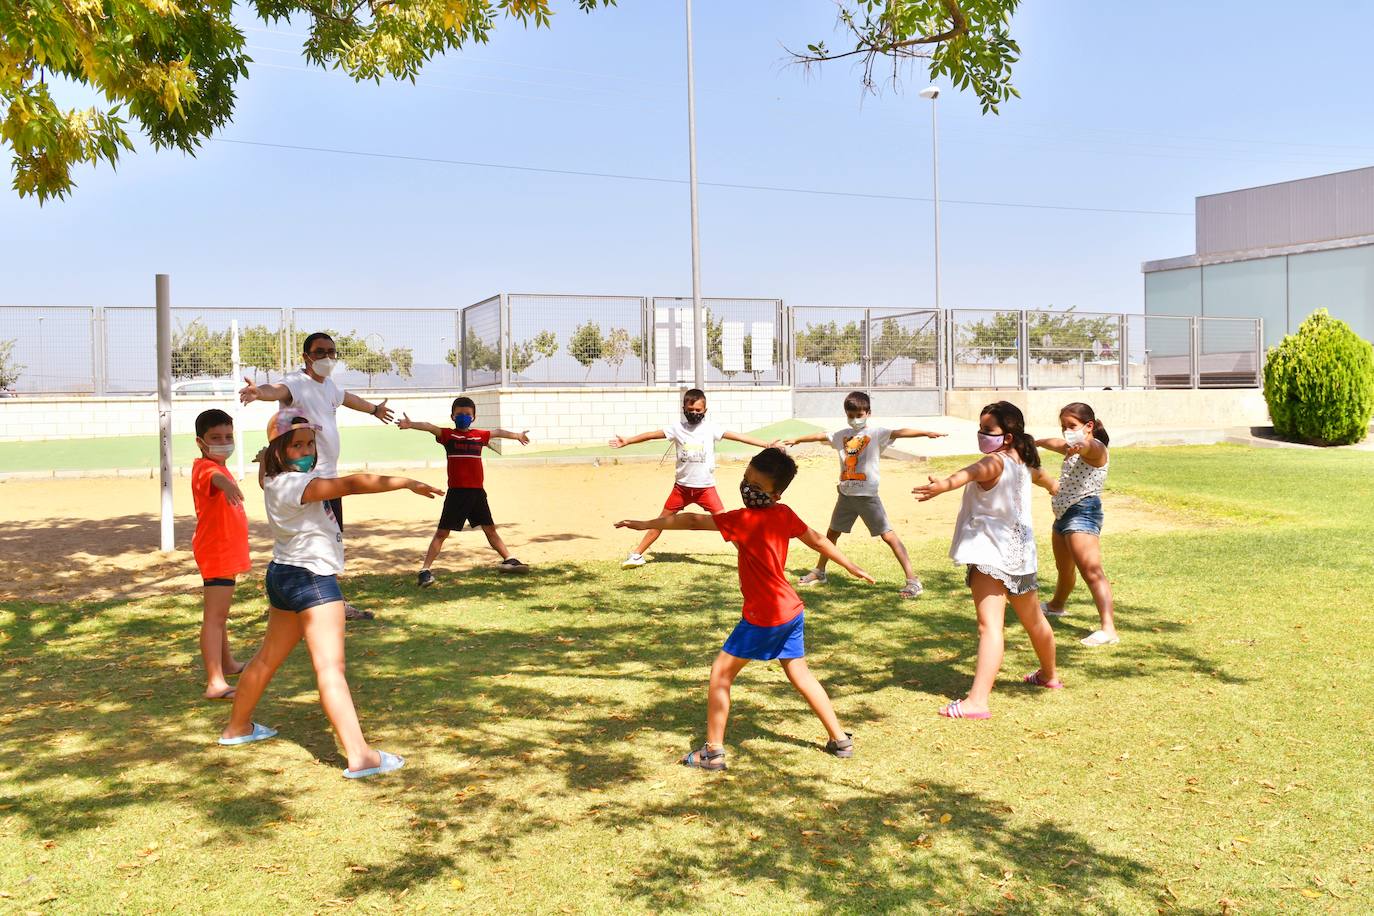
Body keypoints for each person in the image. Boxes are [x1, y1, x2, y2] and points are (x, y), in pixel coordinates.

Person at [616, 447, 874, 771]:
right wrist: (852, 567)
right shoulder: (784, 515)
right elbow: (819, 540)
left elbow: (694, 520)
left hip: (766, 616)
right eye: (746, 480)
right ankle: (840, 740)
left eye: (757, 485)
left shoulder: (743, 520)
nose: (748, 489)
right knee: (800, 673)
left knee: (720, 673)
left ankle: (712, 753)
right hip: (791, 610)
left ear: (776, 494)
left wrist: (646, 523)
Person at [219, 410, 443, 779]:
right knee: (330, 669)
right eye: (297, 445)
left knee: (265, 659)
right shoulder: (296, 485)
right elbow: (352, 484)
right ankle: (361, 756)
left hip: (283, 575)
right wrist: (405, 482)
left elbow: (275, 468)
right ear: (279, 449)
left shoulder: (272, 478)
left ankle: (237, 728)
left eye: (310, 442)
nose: (307, 450)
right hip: (311, 579)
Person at [913, 401, 1061, 720]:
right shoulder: (1024, 462)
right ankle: (1049, 675)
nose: (982, 435)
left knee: (989, 626)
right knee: (1034, 620)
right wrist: (1055, 489)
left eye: (988, 430)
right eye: (980, 429)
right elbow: (1047, 481)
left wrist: (941, 486)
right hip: (1021, 554)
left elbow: (967, 474)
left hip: (990, 552)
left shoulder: (994, 462)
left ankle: (977, 702)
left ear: (1007, 436)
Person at [239, 331, 395, 620]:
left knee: (328, 539)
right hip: (306, 481)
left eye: (331, 352)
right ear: (306, 356)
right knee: (310, 541)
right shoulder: (296, 382)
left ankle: (315, 599)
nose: (326, 357)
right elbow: (276, 389)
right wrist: (259, 393)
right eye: (320, 352)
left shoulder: (331, 387)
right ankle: (317, 600)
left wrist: (374, 410)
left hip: (327, 479)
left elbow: (348, 398)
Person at [784, 390, 947, 598]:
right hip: (845, 495)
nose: (854, 419)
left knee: (888, 536)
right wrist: (797, 440)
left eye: (858, 415)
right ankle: (820, 571)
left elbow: (900, 431)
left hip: (867, 497)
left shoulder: (876, 433)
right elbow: (820, 435)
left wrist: (926, 432)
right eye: (850, 415)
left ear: (868, 413)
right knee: (832, 533)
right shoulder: (841, 435)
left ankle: (913, 580)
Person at [610, 388, 779, 568]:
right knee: (661, 521)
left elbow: (737, 437)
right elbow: (652, 434)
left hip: (706, 489)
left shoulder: (711, 428)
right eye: (690, 410)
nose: (694, 413)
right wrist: (627, 440)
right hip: (681, 488)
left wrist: (766, 444)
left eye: (698, 411)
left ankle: (749, 557)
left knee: (726, 524)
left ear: (705, 411)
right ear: (684, 408)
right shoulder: (677, 429)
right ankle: (636, 555)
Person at [397, 396, 532, 586]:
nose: (463, 417)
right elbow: (429, 426)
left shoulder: (480, 436)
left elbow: (498, 432)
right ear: (452, 416)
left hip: (477, 493)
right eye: (459, 414)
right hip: (457, 494)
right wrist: (411, 424)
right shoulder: (448, 436)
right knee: (442, 533)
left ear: (474, 417)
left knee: (490, 529)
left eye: (467, 414)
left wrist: (517, 435)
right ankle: (425, 571)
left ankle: (509, 559)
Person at [1035, 402, 1118, 646]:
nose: (1066, 431)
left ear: (1088, 426)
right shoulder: (1072, 446)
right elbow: (1057, 443)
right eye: (1063, 426)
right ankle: (1056, 606)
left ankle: (1109, 629)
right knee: (1065, 569)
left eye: (1071, 426)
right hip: (1063, 515)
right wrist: (1037, 442)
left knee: (1091, 571)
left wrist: (1081, 445)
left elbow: (1089, 448)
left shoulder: (1096, 448)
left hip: (1083, 513)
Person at [190, 408, 251, 700]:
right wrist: (225, 484)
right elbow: (214, 479)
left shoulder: (220, 466)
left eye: (228, 436)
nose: (224, 441)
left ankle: (227, 664)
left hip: (224, 551)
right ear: (201, 442)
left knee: (220, 615)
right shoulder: (207, 468)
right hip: (217, 551)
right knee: (214, 617)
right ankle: (215, 682)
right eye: (216, 437)